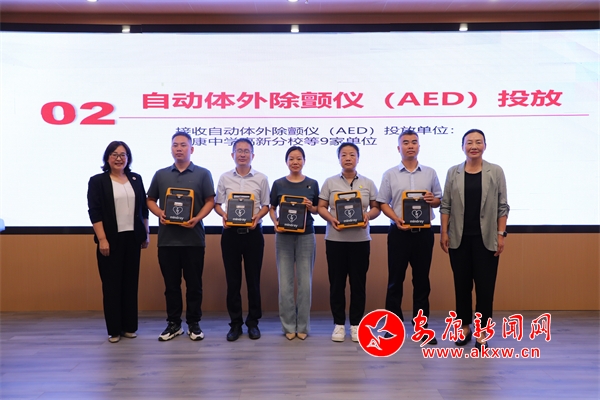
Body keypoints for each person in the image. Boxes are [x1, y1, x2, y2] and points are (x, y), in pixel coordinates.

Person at [440, 128, 509, 350]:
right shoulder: (453, 172)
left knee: (485, 288)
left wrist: (501, 234)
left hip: (486, 239)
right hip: (458, 239)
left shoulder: (495, 171)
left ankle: (482, 331)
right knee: (461, 286)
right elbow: (446, 205)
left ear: (485, 146)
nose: (474, 146)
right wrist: (443, 232)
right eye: (469, 142)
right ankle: (464, 328)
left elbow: (502, 206)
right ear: (462, 147)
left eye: (478, 142)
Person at [147, 132, 215, 342]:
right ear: (171, 149)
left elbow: (210, 201)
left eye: (183, 145)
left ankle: (194, 324)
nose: (179, 148)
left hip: (193, 239)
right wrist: (160, 213)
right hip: (167, 240)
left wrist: (197, 218)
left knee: (194, 285)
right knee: (171, 286)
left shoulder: (203, 174)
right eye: (175, 145)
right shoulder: (161, 174)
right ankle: (174, 324)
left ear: (191, 149)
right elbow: (150, 200)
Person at [377, 130, 442, 345]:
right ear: (399, 148)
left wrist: (432, 200)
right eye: (405, 143)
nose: (410, 146)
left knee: (422, 281)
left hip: (424, 234)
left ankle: (421, 328)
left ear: (419, 147)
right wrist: (396, 218)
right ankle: (392, 327)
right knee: (395, 281)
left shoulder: (430, 173)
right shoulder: (390, 174)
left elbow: (438, 200)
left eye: (414, 142)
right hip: (399, 233)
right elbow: (383, 202)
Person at [87, 141, 150, 343]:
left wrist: (146, 233)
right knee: (112, 286)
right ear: (107, 158)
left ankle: (129, 327)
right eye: (114, 154)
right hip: (110, 240)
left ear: (128, 158)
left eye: (123, 155)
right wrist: (102, 239)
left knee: (130, 284)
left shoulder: (136, 178)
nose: (119, 158)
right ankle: (114, 330)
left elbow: (143, 209)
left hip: (133, 238)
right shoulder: (98, 181)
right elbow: (95, 212)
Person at [317, 142, 380, 342]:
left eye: (352, 154)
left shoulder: (368, 183)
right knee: (337, 283)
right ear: (339, 159)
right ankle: (338, 324)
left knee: (358, 284)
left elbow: (376, 208)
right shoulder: (329, 182)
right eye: (343, 155)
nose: (348, 158)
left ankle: (356, 324)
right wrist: (331, 219)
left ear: (358, 158)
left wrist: (367, 216)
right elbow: (321, 206)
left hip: (360, 241)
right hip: (335, 240)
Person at [214, 138, 270, 341]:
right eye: (239, 151)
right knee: (233, 281)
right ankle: (235, 324)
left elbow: (266, 205)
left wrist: (257, 217)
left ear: (253, 155)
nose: (243, 154)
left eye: (247, 151)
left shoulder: (261, 178)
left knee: (253, 281)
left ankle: (253, 323)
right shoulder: (224, 177)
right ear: (233, 155)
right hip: (230, 235)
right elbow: (217, 204)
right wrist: (224, 215)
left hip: (253, 234)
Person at [269, 146, 320, 340]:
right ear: (286, 162)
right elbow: (272, 208)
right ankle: (289, 326)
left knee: (305, 283)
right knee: (285, 283)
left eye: (299, 158)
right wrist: (275, 221)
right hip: (284, 236)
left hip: (306, 235)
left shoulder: (312, 184)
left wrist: (311, 207)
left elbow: (317, 210)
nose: (295, 162)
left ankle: (303, 326)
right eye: (291, 158)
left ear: (304, 161)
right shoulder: (278, 183)